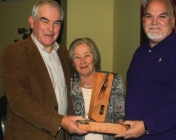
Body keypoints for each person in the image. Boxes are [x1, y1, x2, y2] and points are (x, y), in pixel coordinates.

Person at [1, 1, 86, 140]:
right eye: (45, 21)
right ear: (32, 21)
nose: (51, 29)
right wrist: (60, 121)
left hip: (61, 135)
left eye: (56, 23)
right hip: (28, 136)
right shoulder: (14, 52)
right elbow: (18, 101)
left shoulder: (64, 53)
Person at [115, 0, 176, 139]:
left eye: (162, 16)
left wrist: (147, 126)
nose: (154, 22)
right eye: (149, 16)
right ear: (143, 21)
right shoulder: (139, 52)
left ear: (172, 21)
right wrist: (124, 119)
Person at [68, 38, 125, 140]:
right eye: (77, 57)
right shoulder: (68, 83)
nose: (82, 61)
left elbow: (119, 114)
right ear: (73, 62)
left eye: (87, 55)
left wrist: (120, 123)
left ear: (94, 58)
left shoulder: (112, 80)